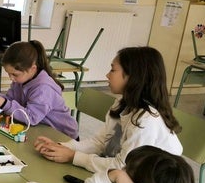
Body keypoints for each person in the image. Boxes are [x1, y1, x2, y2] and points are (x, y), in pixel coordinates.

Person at [34, 46, 182, 172]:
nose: (107, 75)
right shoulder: (122, 103)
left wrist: (74, 157)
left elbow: (123, 167)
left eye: (113, 70)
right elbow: (100, 142)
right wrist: (62, 147)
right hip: (121, 176)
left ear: (133, 77)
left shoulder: (146, 120)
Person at [0, 40, 78, 139]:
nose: (11, 78)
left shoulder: (43, 88)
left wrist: (4, 103)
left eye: (15, 74)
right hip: (41, 129)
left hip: (63, 136)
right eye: (8, 73)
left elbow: (32, 118)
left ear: (33, 69)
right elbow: (11, 100)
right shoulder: (21, 80)